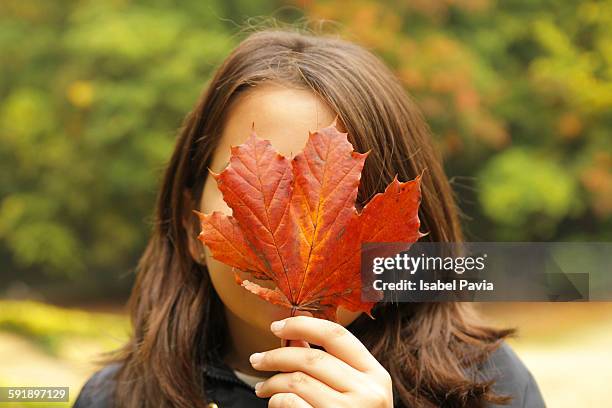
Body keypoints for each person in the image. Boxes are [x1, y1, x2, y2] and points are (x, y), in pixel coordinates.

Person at [74, 28, 545, 408]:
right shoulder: (113, 399)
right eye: (263, 190)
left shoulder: (489, 388)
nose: (301, 233)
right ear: (189, 225)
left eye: (349, 195)